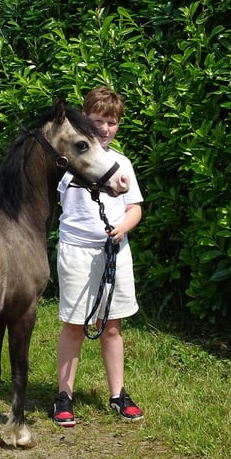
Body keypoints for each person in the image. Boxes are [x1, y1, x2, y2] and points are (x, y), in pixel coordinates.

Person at [52, 86, 144, 427]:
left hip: (114, 253)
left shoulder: (121, 163)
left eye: (111, 122)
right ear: (83, 122)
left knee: (112, 327)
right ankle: (64, 395)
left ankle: (118, 394)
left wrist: (122, 227)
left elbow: (134, 208)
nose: (104, 129)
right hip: (76, 251)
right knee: (74, 326)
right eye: (96, 121)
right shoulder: (67, 162)